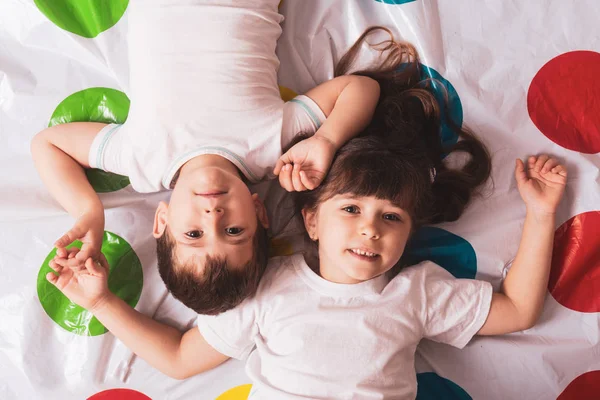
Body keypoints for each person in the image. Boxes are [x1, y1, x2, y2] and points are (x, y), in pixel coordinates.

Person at [45, 27, 568, 398]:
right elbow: (181, 359)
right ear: (310, 219)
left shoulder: (418, 293)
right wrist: (102, 303)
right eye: (353, 208)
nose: (369, 228)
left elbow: (519, 312)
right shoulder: (268, 289)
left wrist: (541, 214)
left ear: (410, 234)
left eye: (392, 219)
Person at [31, 0, 380, 315]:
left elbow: (49, 145)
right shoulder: (272, 147)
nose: (213, 216)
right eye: (233, 230)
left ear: (162, 221)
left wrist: (89, 213)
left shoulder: (141, 159)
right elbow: (362, 88)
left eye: (194, 234)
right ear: (260, 212)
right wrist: (326, 140)